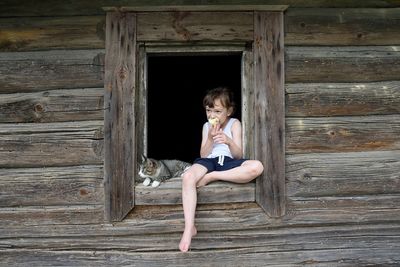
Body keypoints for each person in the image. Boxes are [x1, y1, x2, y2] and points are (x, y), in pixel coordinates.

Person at [179, 86, 264, 252]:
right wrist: (210, 138)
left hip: (228, 162)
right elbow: (203, 153)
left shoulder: (234, 123)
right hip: (209, 161)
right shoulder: (206, 126)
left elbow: (238, 155)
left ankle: (214, 176)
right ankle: (189, 227)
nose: (212, 115)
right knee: (188, 177)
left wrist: (228, 141)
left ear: (229, 111)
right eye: (208, 110)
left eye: (217, 111)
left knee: (257, 166)